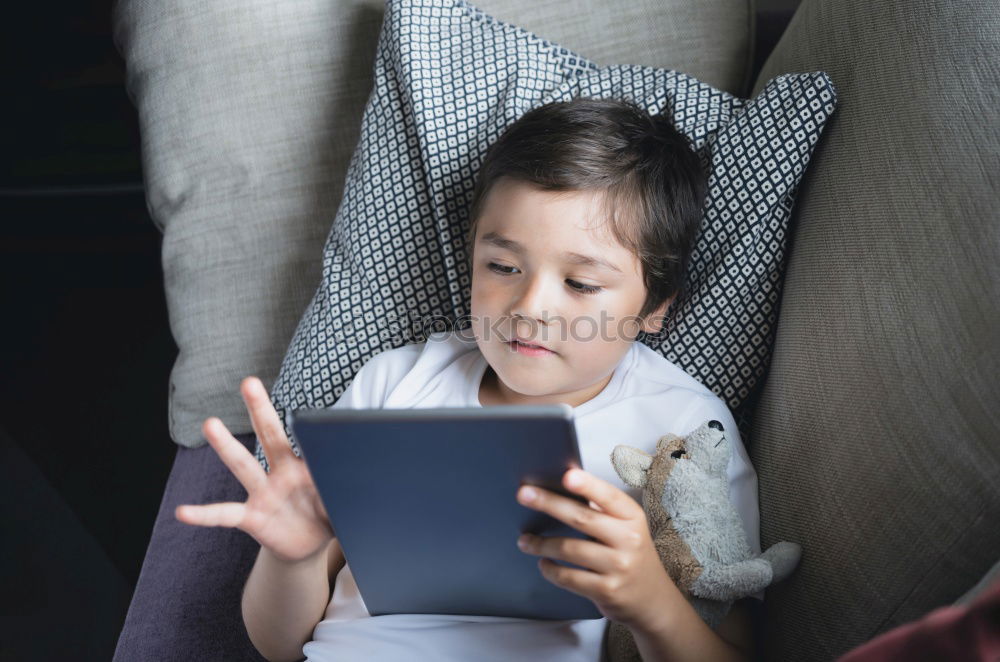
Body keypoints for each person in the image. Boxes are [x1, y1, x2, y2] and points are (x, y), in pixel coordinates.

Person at [175, 97, 762, 662]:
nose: (530, 306)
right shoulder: (396, 385)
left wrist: (652, 602)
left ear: (656, 306)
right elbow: (279, 645)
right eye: (503, 267)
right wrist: (293, 560)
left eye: (581, 284)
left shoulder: (686, 430)